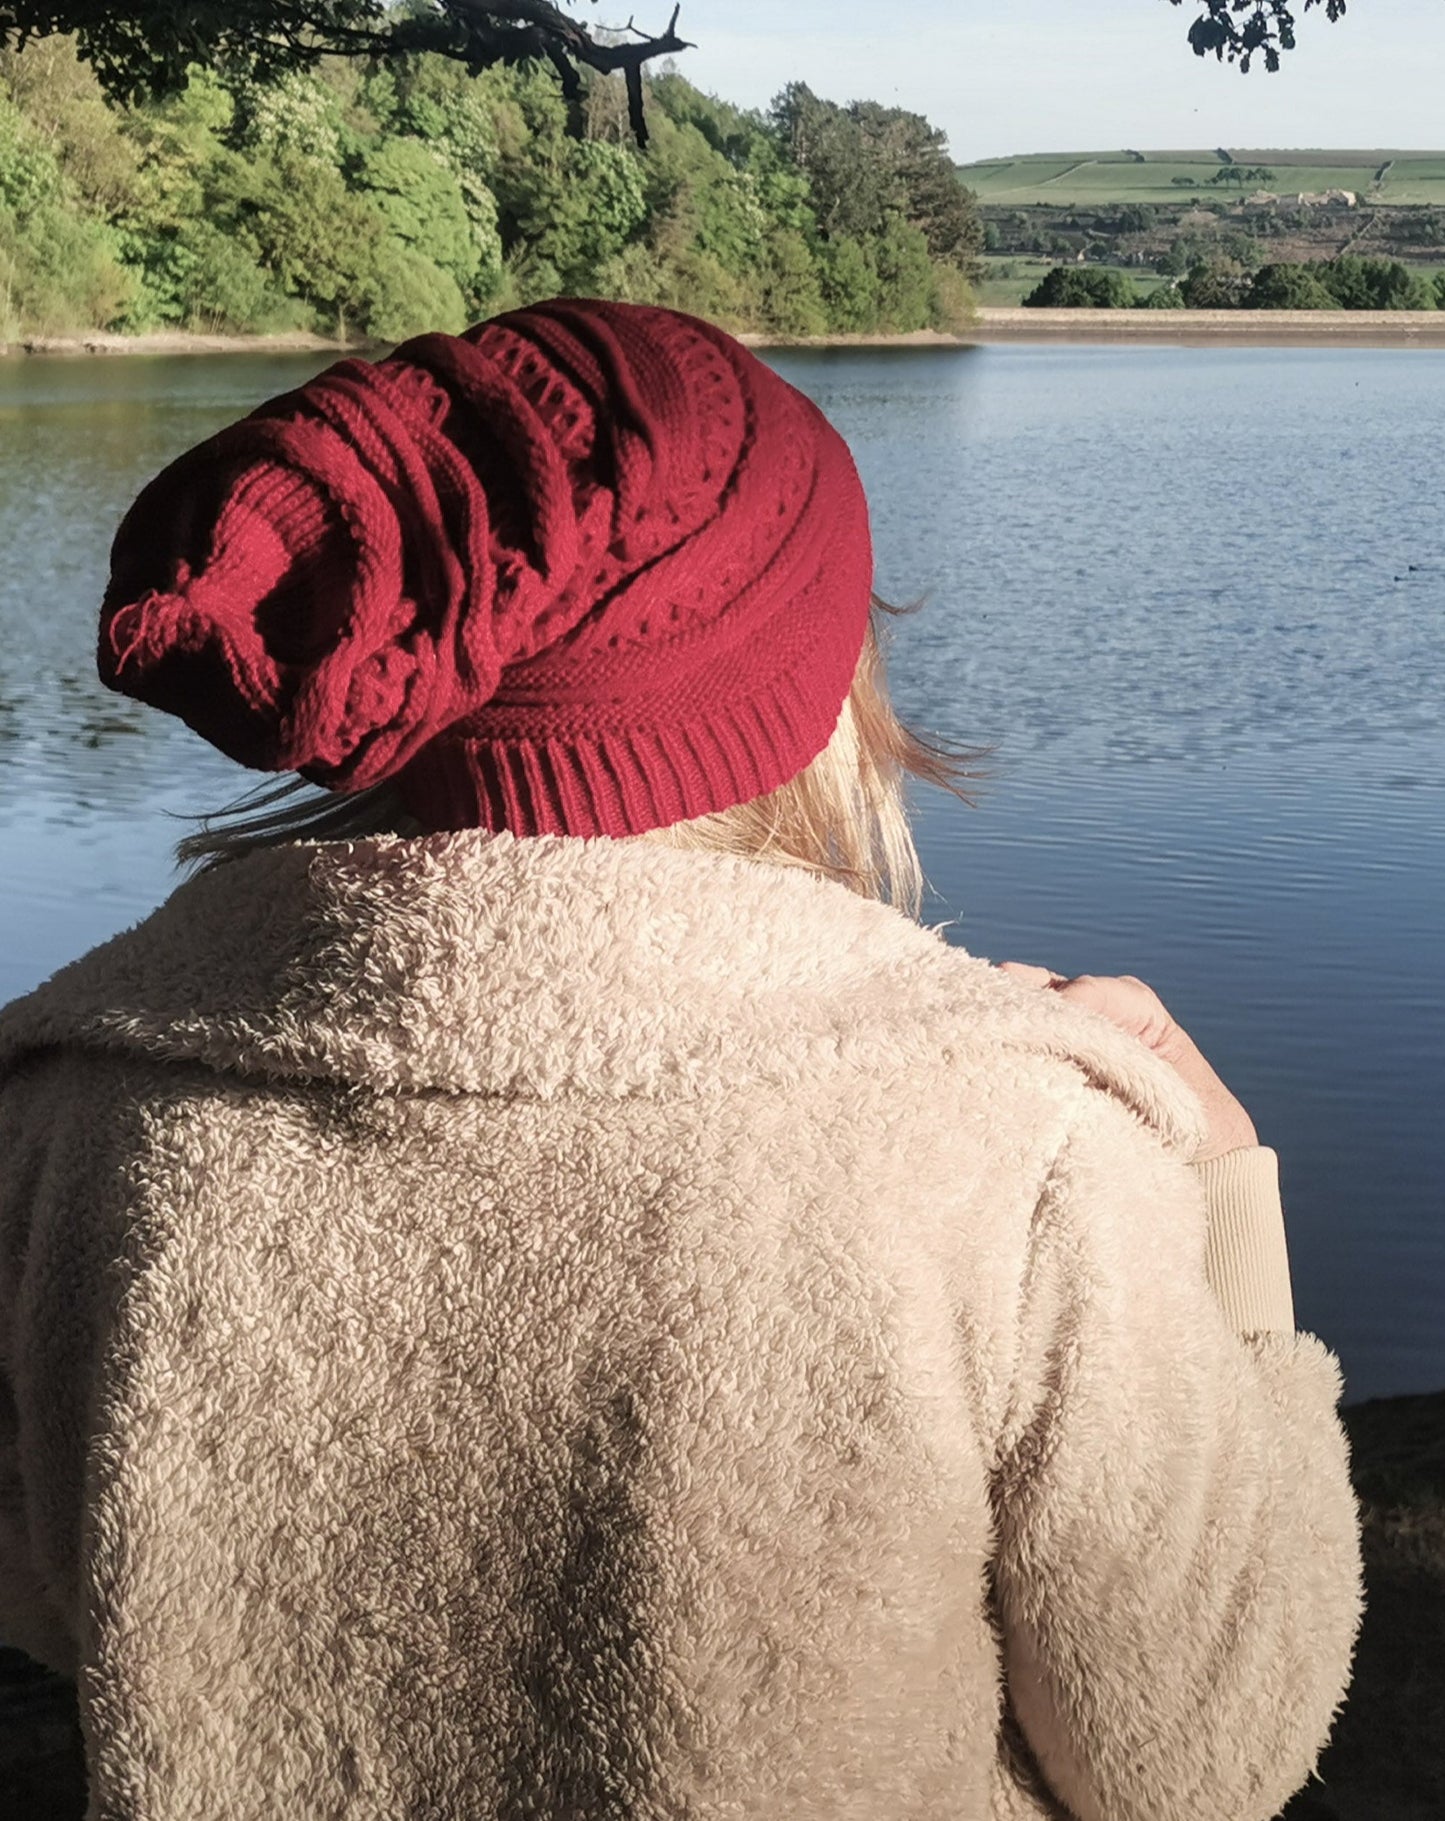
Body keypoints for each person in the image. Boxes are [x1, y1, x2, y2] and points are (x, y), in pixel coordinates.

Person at [0, 298, 1361, 1820]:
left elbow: (62, 1600)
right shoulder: (1013, 1147)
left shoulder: (69, 1107)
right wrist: (1226, 1177)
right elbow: (1202, 1749)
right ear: (808, 699)